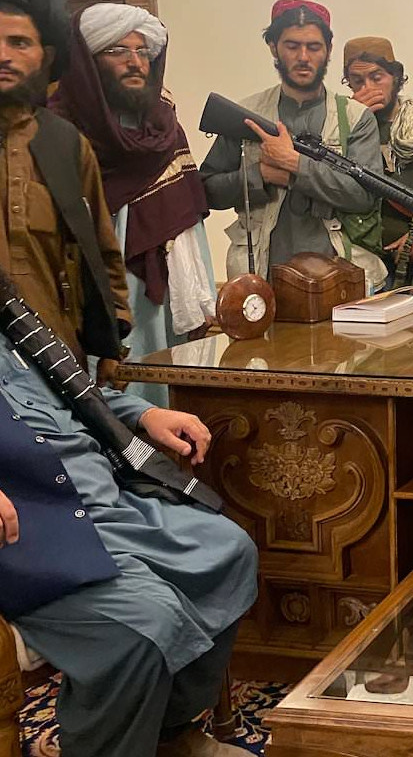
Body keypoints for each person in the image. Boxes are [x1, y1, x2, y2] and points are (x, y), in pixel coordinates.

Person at [0, 267, 257, 757]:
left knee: (229, 551)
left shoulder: (12, 323)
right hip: (36, 535)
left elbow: (76, 394)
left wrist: (144, 413)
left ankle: (167, 735)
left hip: (109, 501)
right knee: (149, 624)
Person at [52, 4, 217, 407]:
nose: (135, 62)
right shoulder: (57, 131)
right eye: (118, 51)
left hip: (162, 297)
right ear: (88, 62)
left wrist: (203, 297)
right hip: (90, 294)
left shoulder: (164, 127)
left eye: (142, 51)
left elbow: (189, 217)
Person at [199, 0, 386, 290]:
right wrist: (260, 175)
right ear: (273, 47)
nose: (303, 57)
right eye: (292, 46)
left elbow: (364, 196)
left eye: (313, 47)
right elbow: (206, 191)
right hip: (261, 278)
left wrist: (295, 165)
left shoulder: (355, 117)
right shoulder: (246, 114)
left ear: (328, 50)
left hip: (340, 277)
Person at [0, 0, 130, 378]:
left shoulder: (67, 145)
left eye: (19, 43)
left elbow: (101, 250)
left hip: (54, 359)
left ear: (47, 55)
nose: (3, 55)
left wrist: (110, 342)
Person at [341, 36, 413, 291]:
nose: (368, 88)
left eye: (376, 77)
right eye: (357, 81)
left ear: (396, 77)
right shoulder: (338, 129)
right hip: (360, 261)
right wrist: (353, 120)